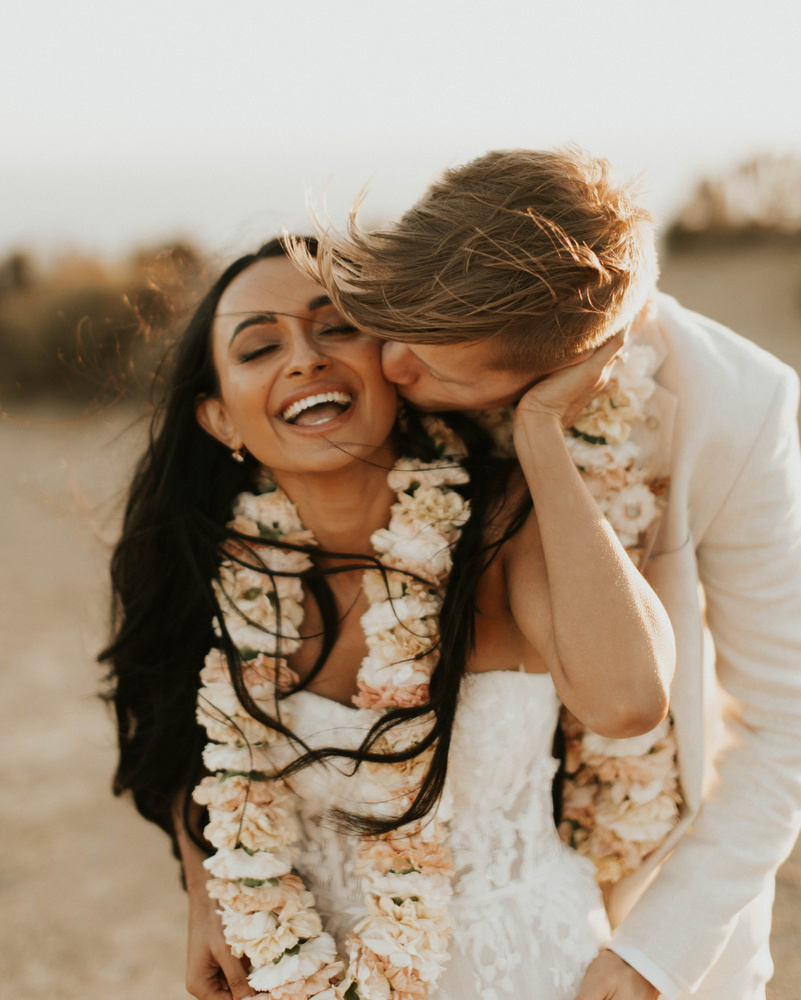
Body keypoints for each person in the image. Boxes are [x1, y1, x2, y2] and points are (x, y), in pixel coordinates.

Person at [101, 236, 675, 1000]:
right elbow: (175, 737)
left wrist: (538, 429)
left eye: (335, 327)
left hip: (533, 971)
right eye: (260, 346)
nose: (304, 358)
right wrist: (210, 883)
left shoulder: (504, 524)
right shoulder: (212, 570)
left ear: (393, 362)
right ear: (220, 420)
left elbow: (629, 701)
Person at [298, 147, 801, 999]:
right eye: (395, 335)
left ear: (556, 366)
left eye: (435, 367)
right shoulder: (393, 327)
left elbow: (785, 723)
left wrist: (658, 953)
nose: (390, 369)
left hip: (644, 887)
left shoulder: (740, 409)